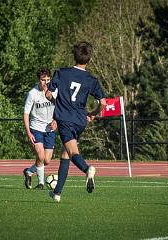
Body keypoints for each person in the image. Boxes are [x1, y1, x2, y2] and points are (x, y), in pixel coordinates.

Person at [45, 41, 106, 202]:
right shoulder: (91, 80)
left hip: (65, 119)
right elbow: (103, 103)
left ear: (74, 55)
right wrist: (92, 114)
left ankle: (87, 169)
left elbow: (48, 95)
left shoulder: (61, 73)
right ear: (89, 59)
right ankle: (57, 193)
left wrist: (58, 103)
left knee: (73, 153)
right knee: (65, 153)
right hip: (80, 120)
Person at [23, 68, 57, 190]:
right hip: (36, 128)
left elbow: (59, 108)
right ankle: (41, 183)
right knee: (40, 156)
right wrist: (28, 133)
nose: (46, 82)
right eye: (43, 80)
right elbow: (26, 114)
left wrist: (55, 121)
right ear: (39, 80)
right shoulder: (33, 93)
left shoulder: (54, 91)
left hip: (49, 130)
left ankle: (29, 172)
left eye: (48, 80)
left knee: (46, 160)